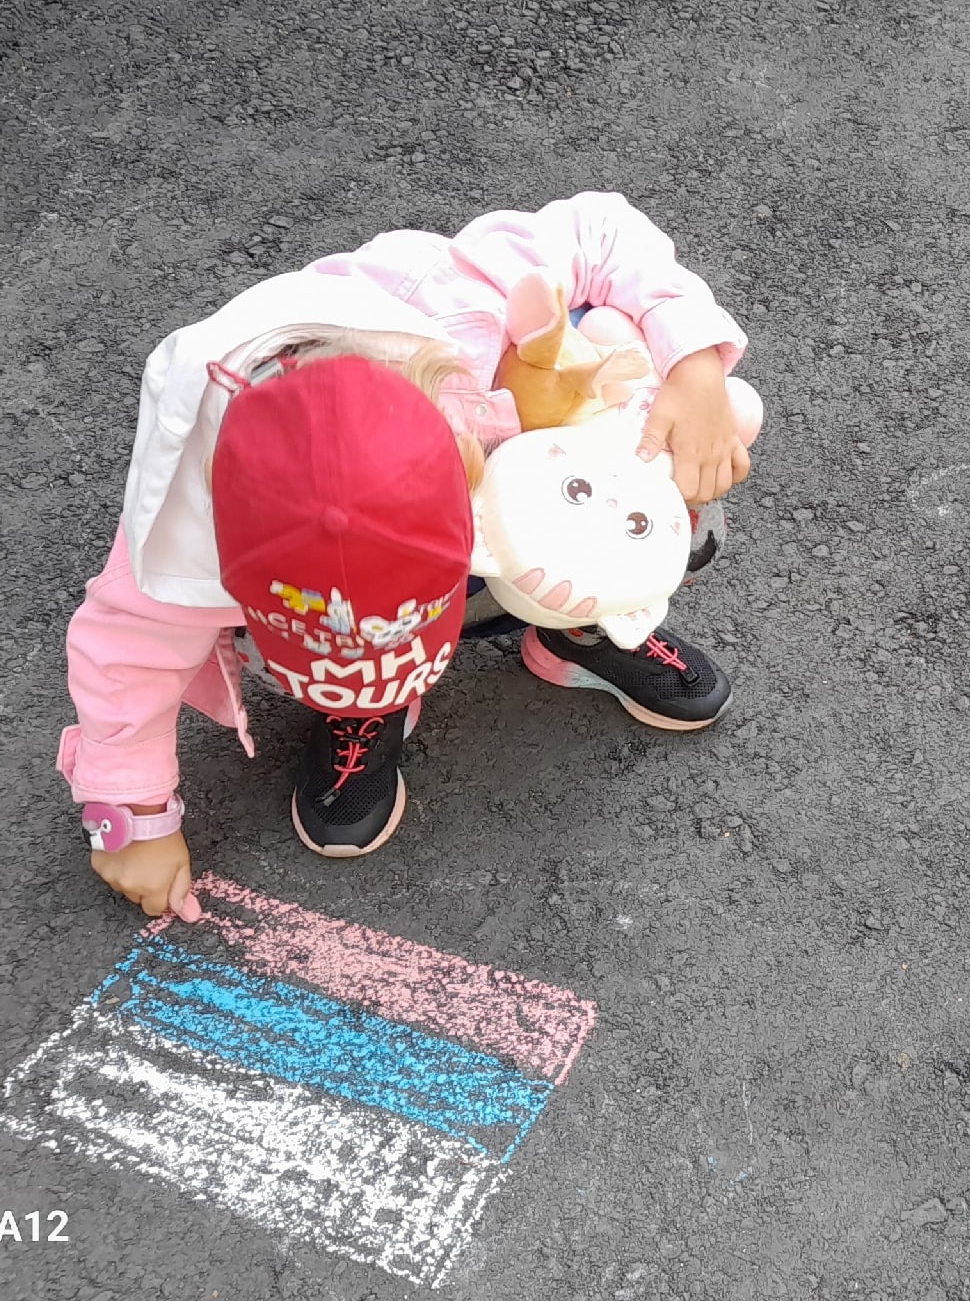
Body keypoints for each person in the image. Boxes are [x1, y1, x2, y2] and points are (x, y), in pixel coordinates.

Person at [59, 194, 753, 919]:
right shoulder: (186, 522)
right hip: (403, 538)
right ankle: (367, 696)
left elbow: (605, 229)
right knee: (250, 626)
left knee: (677, 460)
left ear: (456, 436)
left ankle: (579, 624)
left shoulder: (459, 300)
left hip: (550, 463)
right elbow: (127, 647)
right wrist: (131, 814)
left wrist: (694, 368)